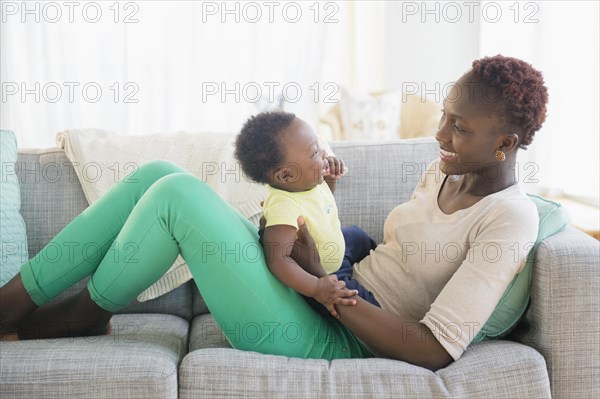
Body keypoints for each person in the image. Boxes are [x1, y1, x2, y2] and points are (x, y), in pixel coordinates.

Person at [0, 55, 546, 371]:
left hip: (336, 334)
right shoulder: (445, 170)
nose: (439, 135)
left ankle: (85, 311)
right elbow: (386, 259)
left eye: (459, 128)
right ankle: (14, 303)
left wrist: (324, 290)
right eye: (445, 117)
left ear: (506, 143)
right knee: (157, 174)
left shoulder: (509, 220)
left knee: (177, 198)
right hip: (326, 291)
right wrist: (319, 248)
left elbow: (433, 350)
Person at [234, 112, 380, 319]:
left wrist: (330, 178)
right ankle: (382, 321)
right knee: (355, 297)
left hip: (337, 250)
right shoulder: (283, 206)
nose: (322, 154)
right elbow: (278, 259)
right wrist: (317, 288)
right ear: (286, 175)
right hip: (325, 273)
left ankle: (381, 261)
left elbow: (322, 204)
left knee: (356, 235)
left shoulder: (306, 181)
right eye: (313, 153)